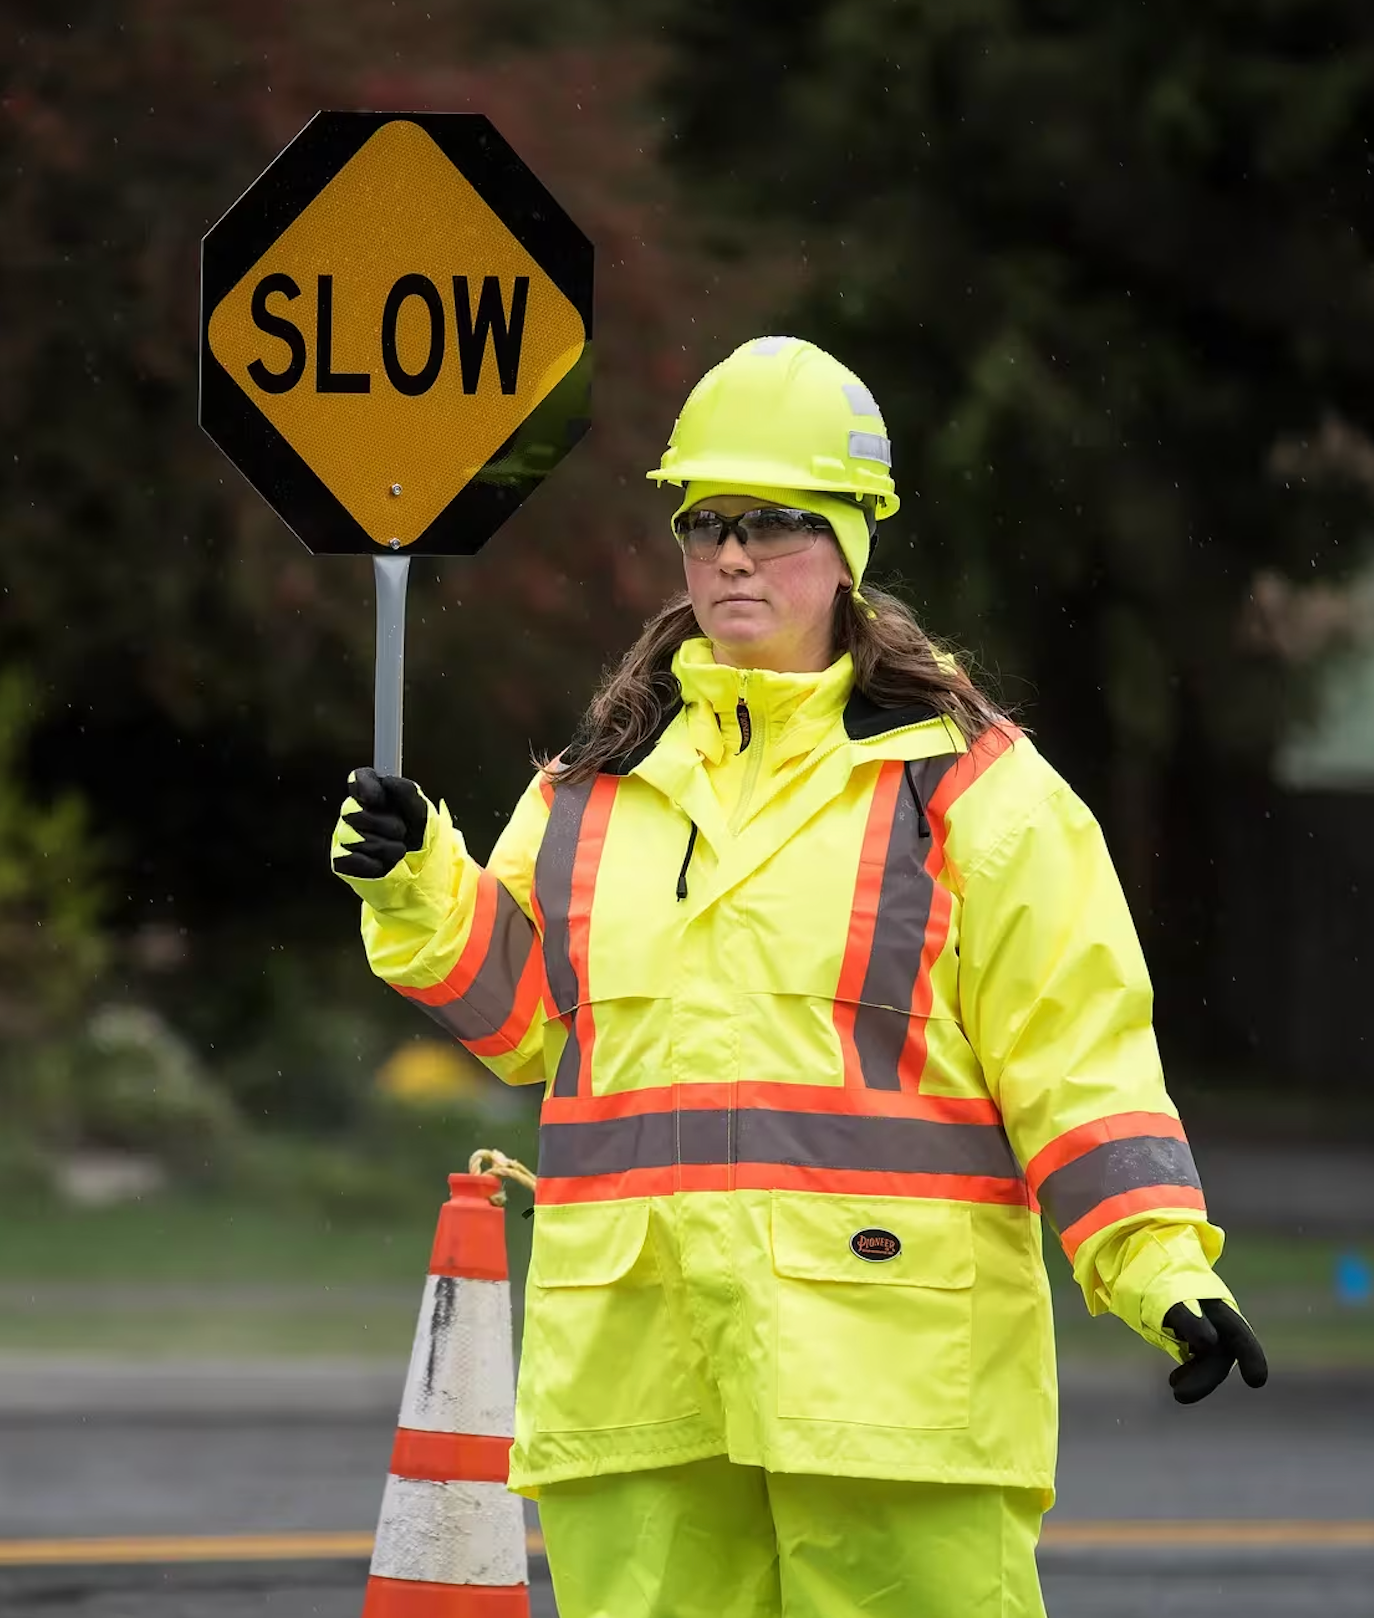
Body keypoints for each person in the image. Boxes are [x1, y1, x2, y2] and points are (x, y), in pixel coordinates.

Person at [331, 336, 1267, 1618]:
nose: (729, 554)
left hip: (888, 1385)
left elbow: (1078, 1062)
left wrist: (1164, 1266)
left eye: (771, 523)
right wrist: (413, 880)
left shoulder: (977, 795)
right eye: (705, 522)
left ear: (847, 545)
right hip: (645, 1384)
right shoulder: (594, 784)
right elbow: (524, 1022)